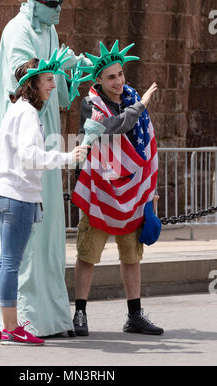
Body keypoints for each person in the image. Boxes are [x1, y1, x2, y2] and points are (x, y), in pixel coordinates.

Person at [0, 0, 89, 337]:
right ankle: (15, 322)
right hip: (22, 159)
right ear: (33, 2)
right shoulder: (18, 31)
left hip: (37, 150)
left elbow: (55, 85)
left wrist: (71, 70)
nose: (59, 9)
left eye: (61, 3)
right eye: (52, 3)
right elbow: (23, 72)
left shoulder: (49, 30)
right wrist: (67, 155)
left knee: (21, 248)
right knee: (13, 254)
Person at [0, 57, 89, 345]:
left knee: (5, 261)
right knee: (11, 262)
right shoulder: (26, 114)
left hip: (9, 193)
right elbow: (29, 156)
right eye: (48, 79)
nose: (53, 84)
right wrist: (66, 157)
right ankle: (11, 327)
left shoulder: (19, 110)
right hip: (17, 195)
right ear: (32, 83)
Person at [71, 40, 164, 336]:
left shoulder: (131, 98)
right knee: (87, 254)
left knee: (132, 256)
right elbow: (114, 126)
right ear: (98, 80)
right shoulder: (90, 105)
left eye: (121, 74)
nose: (118, 81)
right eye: (111, 77)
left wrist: (150, 187)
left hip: (134, 191)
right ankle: (80, 313)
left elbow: (146, 144)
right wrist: (142, 104)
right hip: (100, 190)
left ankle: (134, 315)